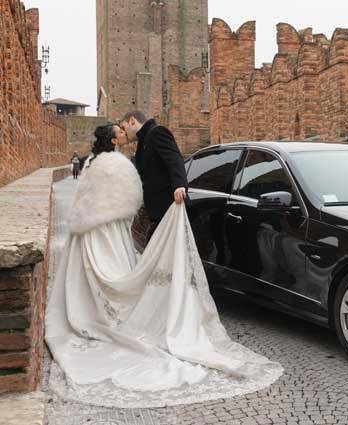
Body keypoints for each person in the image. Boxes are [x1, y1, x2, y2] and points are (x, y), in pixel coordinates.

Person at [45, 124, 282, 408]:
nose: (124, 133)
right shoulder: (117, 163)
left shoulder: (94, 162)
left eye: (124, 128)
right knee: (117, 274)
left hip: (91, 231)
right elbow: (130, 196)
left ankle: (94, 313)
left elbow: (107, 193)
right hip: (109, 231)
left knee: (96, 277)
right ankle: (114, 317)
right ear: (113, 139)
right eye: (119, 131)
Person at [118, 111, 188, 243]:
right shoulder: (142, 142)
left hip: (168, 209)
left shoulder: (157, 132)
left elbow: (174, 159)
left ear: (132, 121)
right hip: (155, 214)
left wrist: (180, 185)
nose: (124, 132)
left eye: (123, 127)